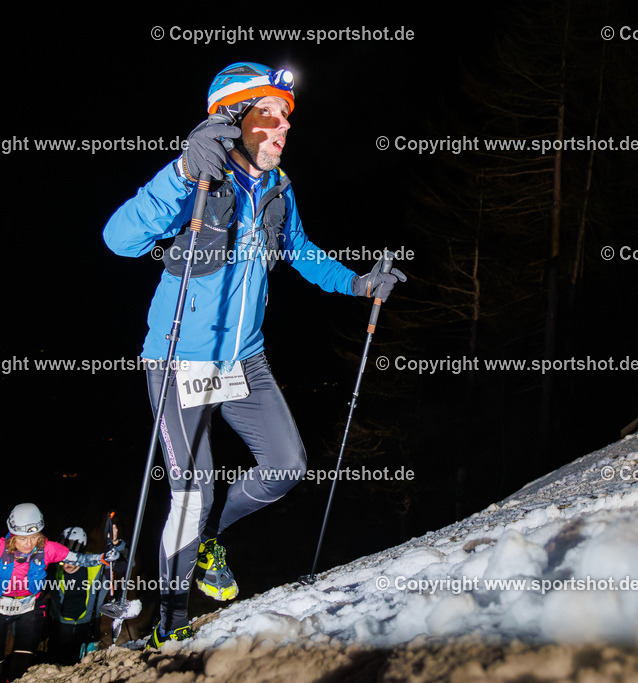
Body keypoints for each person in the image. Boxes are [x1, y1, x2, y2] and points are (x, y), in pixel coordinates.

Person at [102, 62, 406, 647]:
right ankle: (170, 619)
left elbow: (302, 251)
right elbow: (119, 240)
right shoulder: (196, 179)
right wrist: (184, 169)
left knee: (286, 467)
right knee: (194, 489)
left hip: (245, 360)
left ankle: (212, 537)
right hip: (178, 362)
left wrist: (358, 284)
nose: (283, 129)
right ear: (231, 118)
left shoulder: (277, 189)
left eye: (286, 119)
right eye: (268, 116)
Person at [0, 503, 122, 682]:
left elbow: (81, 559)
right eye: (22, 538)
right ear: (12, 534)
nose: (28, 544)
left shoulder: (49, 548)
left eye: (34, 536)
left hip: (30, 608)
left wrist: (104, 558)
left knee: (21, 664)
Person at [48, 525, 127, 664]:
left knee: (86, 667)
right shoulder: (53, 569)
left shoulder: (95, 564)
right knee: (58, 665)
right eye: (64, 559)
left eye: (72, 559)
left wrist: (116, 544)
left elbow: (125, 565)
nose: (66, 564)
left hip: (89, 626)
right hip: (61, 628)